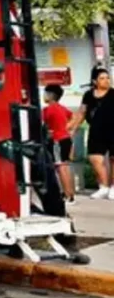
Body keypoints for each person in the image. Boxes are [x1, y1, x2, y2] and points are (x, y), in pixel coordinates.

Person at [68, 67, 114, 199]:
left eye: (107, 78)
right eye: (102, 78)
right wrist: (74, 128)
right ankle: (103, 187)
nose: (106, 81)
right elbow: (82, 112)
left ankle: (113, 187)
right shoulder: (88, 95)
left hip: (112, 129)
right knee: (95, 158)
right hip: (95, 130)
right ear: (95, 81)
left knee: (113, 159)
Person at [42, 84, 75, 205]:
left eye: (45, 93)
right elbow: (73, 117)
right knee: (65, 167)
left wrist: (52, 131)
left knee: (60, 168)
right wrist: (67, 128)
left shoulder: (48, 109)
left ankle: (67, 196)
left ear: (50, 95)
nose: (43, 96)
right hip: (65, 139)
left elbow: (41, 123)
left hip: (57, 141)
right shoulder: (62, 108)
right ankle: (70, 194)